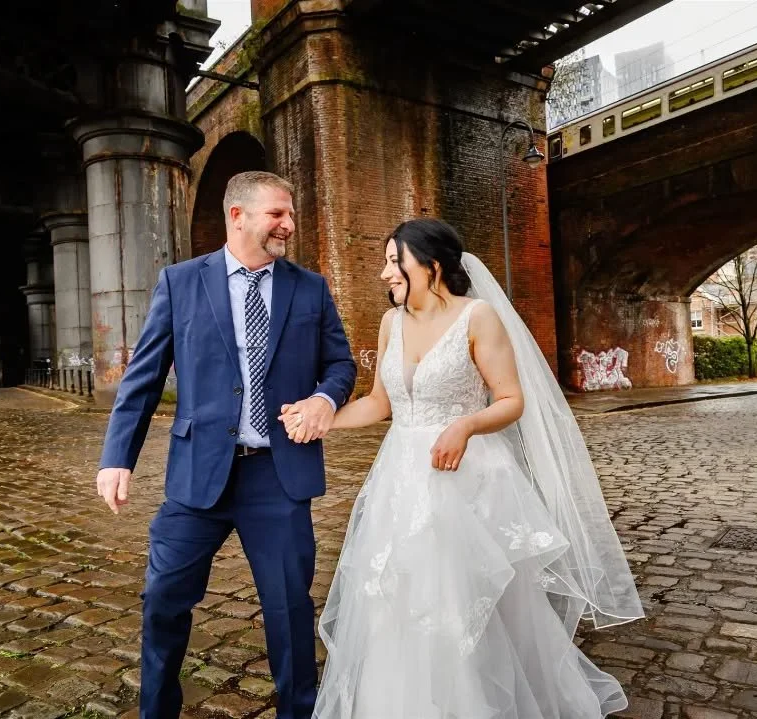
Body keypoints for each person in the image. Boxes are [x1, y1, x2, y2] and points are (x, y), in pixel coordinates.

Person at [281, 217, 644, 718]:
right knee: (398, 597)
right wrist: (319, 418)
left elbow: (511, 400)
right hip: (401, 480)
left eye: (395, 261)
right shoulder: (391, 323)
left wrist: (466, 425)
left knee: (463, 601)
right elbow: (380, 403)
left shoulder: (478, 317)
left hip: (468, 479)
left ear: (430, 266)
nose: (385, 273)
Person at [95, 171, 356, 719]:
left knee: (289, 611)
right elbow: (143, 378)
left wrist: (324, 400)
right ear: (237, 215)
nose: (289, 224)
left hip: (278, 477)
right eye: (277, 214)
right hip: (197, 477)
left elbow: (340, 364)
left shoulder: (309, 288)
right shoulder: (180, 282)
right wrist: (118, 457)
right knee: (162, 601)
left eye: (290, 214)